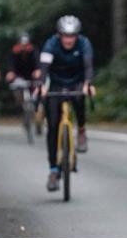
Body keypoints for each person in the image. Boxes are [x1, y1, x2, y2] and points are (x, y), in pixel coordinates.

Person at [39, 15, 95, 191]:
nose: (69, 40)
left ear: (77, 36)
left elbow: (88, 65)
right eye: (65, 35)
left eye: (72, 36)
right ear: (59, 35)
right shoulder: (50, 44)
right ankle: (53, 170)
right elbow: (44, 66)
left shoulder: (84, 44)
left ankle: (81, 130)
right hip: (56, 83)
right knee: (53, 126)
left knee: (79, 99)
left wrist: (88, 84)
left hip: (77, 81)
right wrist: (41, 85)